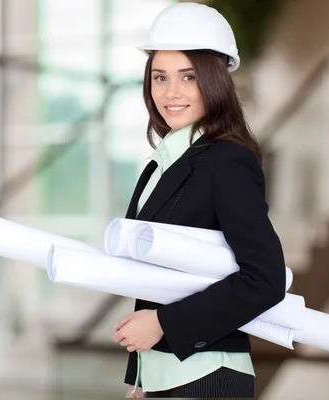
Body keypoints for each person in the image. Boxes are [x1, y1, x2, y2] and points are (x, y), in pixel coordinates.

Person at [111, 2, 287, 398]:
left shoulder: (228, 160)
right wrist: (141, 379)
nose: (170, 92)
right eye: (160, 77)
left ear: (214, 81)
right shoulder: (161, 165)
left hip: (208, 376)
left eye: (187, 77)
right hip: (167, 378)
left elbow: (265, 279)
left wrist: (163, 326)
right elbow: (156, 280)